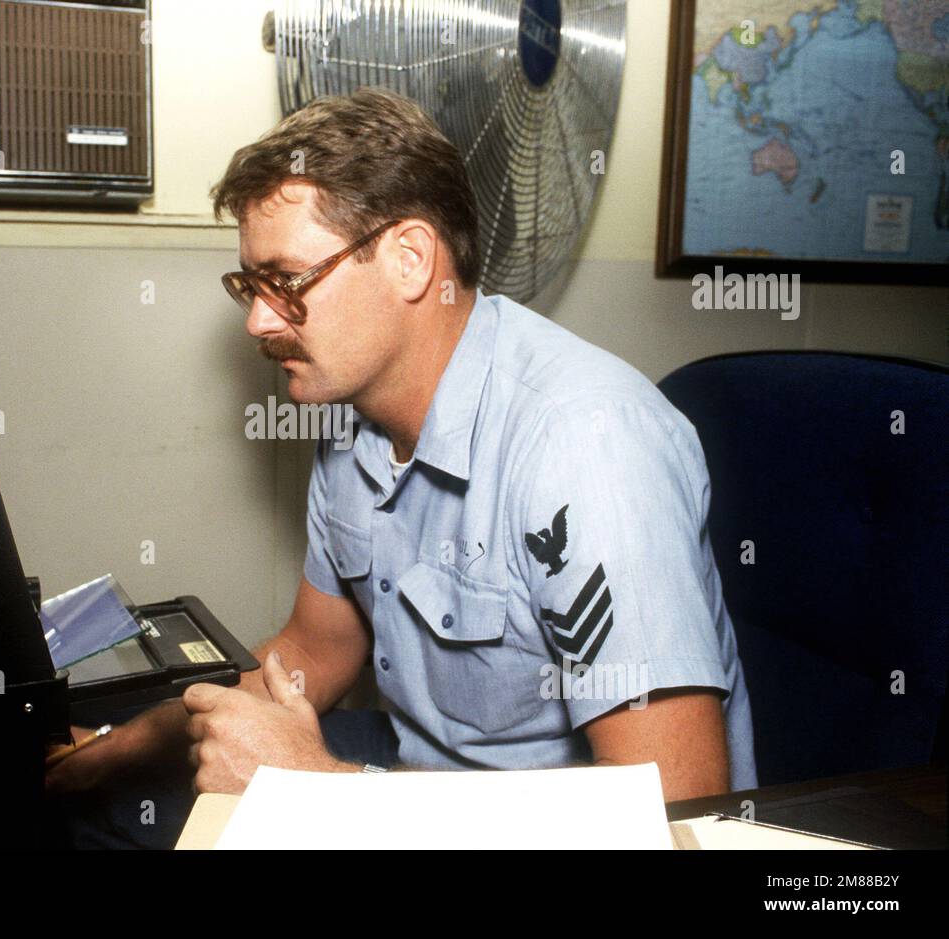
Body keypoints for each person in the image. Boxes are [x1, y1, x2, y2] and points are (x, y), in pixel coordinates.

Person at [47, 87, 756, 849]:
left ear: (411, 259)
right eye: (249, 287)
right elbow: (316, 651)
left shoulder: (585, 441)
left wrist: (329, 795)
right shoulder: (356, 423)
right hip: (417, 798)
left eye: (285, 282)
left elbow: (675, 809)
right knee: (94, 819)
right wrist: (114, 748)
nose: (257, 319)